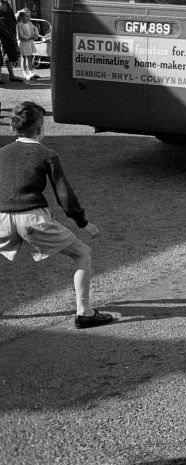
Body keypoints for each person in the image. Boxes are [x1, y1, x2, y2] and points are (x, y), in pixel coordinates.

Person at [0, 101, 111, 329]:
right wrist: (83, 222)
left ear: (14, 128)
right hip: (32, 218)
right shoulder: (47, 154)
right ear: (40, 127)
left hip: (1, 217)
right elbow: (65, 195)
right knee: (82, 254)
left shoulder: (2, 153)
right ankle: (84, 312)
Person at [0, 0, 22, 83]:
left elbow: (11, 17)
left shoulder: (5, 3)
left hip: (7, 30)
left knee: (9, 52)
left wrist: (12, 28)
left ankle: (12, 75)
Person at [15, 9, 39, 81]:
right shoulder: (19, 25)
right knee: (24, 57)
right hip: (23, 43)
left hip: (29, 42)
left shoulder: (30, 23)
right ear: (21, 17)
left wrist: (36, 34)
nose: (28, 18)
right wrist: (28, 38)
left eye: (29, 16)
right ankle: (25, 73)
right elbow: (20, 35)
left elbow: (35, 29)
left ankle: (31, 72)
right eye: (26, 16)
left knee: (29, 57)